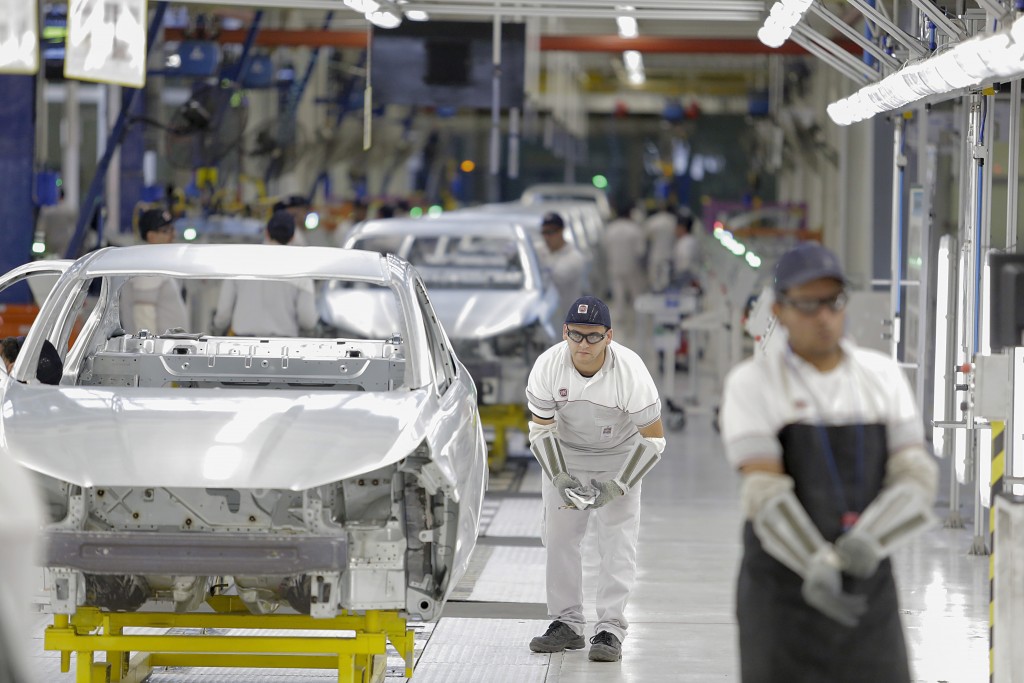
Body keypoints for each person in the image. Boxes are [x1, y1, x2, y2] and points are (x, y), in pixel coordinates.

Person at [719, 243, 938, 683]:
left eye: (833, 302)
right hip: (782, 589)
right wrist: (814, 562)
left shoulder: (881, 376)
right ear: (779, 311)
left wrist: (871, 539)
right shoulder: (753, 383)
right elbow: (764, 491)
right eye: (807, 304)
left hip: (867, 581)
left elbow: (915, 476)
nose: (823, 317)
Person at [525, 296, 665, 663]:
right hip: (566, 457)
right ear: (564, 332)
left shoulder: (630, 371)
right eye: (576, 335)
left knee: (617, 542)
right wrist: (558, 476)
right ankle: (567, 623)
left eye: (593, 336)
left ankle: (610, 629)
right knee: (559, 539)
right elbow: (541, 429)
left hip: (619, 458)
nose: (583, 344)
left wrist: (619, 485)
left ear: (608, 336)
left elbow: (653, 439)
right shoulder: (547, 367)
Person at [213, 211, 318, 337]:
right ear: (292, 237)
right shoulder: (300, 269)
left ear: (267, 232)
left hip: (243, 342)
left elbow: (223, 313)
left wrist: (218, 328)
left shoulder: (240, 261)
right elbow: (307, 320)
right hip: (283, 344)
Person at [120, 209, 189, 335]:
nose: (173, 235)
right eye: (166, 230)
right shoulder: (147, 268)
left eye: (172, 229)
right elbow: (144, 320)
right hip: (158, 347)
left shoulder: (154, 263)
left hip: (167, 346)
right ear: (151, 236)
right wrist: (149, 348)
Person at [603, 201, 647, 331]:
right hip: (631, 267)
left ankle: (620, 321)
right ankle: (638, 319)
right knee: (636, 294)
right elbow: (641, 251)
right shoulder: (634, 229)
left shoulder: (610, 229)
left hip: (614, 266)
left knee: (618, 294)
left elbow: (605, 248)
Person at [537, 212, 586, 328]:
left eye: (550, 232)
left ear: (561, 231)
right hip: (548, 318)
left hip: (568, 319)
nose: (547, 237)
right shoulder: (540, 250)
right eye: (544, 233)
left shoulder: (574, 257)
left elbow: (557, 278)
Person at [643, 203, 677, 292]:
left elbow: (645, 237)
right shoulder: (674, 221)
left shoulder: (652, 221)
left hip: (655, 255)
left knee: (655, 283)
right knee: (667, 282)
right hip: (670, 255)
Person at [670, 208, 700, 289]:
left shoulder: (686, 243)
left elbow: (686, 267)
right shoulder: (687, 240)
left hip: (686, 286)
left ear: (682, 227)